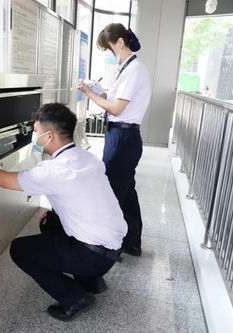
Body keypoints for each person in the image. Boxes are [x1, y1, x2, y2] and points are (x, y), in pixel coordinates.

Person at [0, 103, 127, 321]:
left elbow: (3, 180)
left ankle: (74, 297)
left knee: (20, 250)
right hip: (112, 247)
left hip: (93, 255)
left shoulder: (54, 171)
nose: (34, 137)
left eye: (36, 132)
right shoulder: (86, 157)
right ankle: (91, 280)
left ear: (49, 136)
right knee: (49, 222)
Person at [78, 23, 151, 256]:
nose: (110, 55)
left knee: (112, 192)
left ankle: (109, 247)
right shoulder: (126, 68)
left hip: (123, 136)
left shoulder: (134, 69)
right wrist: (97, 90)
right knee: (127, 191)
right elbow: (112, 97)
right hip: (120, 135)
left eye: (110, 49)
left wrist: (89, 93)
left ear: (120, 43)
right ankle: (132, 242)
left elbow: (117, 108)